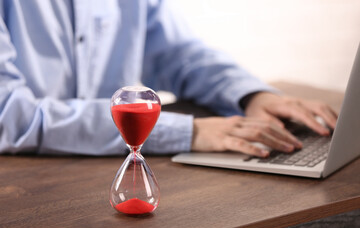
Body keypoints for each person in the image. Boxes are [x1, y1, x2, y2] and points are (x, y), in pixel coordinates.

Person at [0, 0, 337, 156]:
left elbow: (180, 54)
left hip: (115, 168)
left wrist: (253, 96)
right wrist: (183, 130)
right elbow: (9, 116)